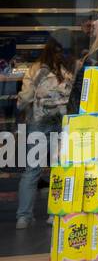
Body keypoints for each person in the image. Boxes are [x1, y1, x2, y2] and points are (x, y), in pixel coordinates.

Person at [15, 39, 74, 229]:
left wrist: (20, 108)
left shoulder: (34, 69)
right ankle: (54, 214)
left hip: (38, 123)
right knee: (59, 169)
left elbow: (25, 97)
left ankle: (23, 217)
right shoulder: (68, 69)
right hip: (61, 123)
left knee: (32, 170)